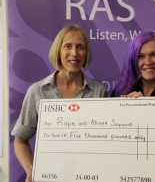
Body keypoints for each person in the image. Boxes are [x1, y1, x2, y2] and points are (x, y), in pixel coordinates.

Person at [11, 24, 107, 182]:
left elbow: (104, 142)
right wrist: (31, 170)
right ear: (58, 51)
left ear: (86, 53)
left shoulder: (98, 91)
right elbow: (20, 141)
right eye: (68, 46)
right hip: (50, 177)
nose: (74, 53)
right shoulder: (37, 91)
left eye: (80, 47)